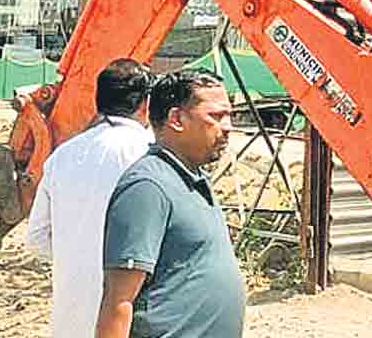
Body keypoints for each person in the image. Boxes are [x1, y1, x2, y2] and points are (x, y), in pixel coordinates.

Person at [96, 70, 241, 338]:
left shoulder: (191, 179)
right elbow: (118, 300)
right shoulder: (148, 187)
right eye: (216, 116)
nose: (228, 126)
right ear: (176, 119)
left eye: (229, 116)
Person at [27, 58, 155, 338]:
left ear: (98, 100)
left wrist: (76, 256)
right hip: (129, 322)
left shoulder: (62, 156)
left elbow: (36, 238)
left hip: (68, 322)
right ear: (146, 105)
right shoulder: (151, 156)